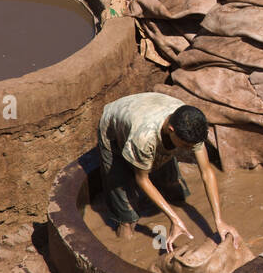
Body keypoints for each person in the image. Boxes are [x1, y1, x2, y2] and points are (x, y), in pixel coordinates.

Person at [97, 92, 241, 253]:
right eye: (186, 146)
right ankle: (124, 243)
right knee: (127, 214)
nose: (190, 149)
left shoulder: (190, 122)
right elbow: (142, 179)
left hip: (147, 110)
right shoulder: (144, 138)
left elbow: (206, 172)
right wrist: (174, 219)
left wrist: (219, 221)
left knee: (174, 189)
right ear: (171, 129)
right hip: (114, 132)